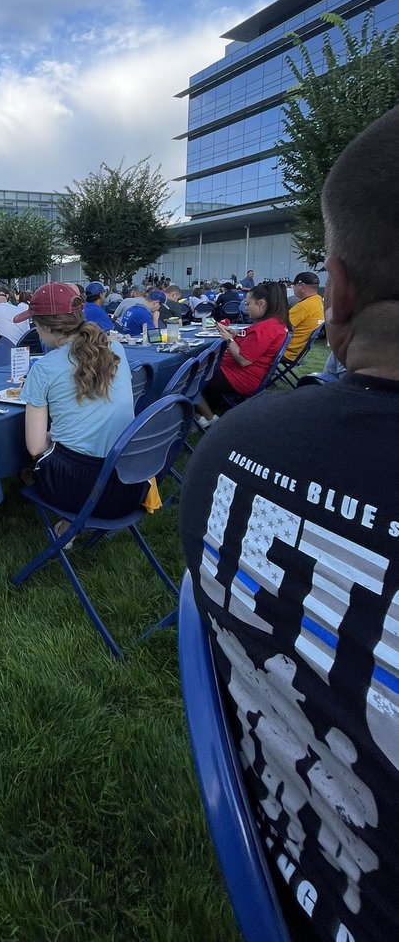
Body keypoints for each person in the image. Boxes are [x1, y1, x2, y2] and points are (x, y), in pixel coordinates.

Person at [180, 104, 399, 942]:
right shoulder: (245, 420)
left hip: (273, 860)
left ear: (334, 293)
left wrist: (232, 350)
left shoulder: (226, 456)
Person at [15, 282, 140, 516]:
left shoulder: (44, 368)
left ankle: (66, 523)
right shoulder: (115, 348)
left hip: (81, 490)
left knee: (30, 454)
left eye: (34, 324)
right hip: (131, 482)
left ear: (46, 327)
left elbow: (35, 447)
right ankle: (68, 525)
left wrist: (55, 434)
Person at [195, 280, 288, 423]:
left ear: (261, 303)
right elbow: (253, 342)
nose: (245, 308)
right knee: (201, 369)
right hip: (243, 373)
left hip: (240, 377)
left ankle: (207, 417)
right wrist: (236, 333)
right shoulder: (274, 324)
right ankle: (200, 414)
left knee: (190, 376)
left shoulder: (265, 328)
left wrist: (229, 339)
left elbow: (243, 360)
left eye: (248, 304)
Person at [283, 270, 325, 362]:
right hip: (298, 353)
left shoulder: (304, 306)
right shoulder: (319, 302)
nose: (293, 289)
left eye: (294, 286)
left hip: (285, 351)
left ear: (302, 286)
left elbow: (280, 327)